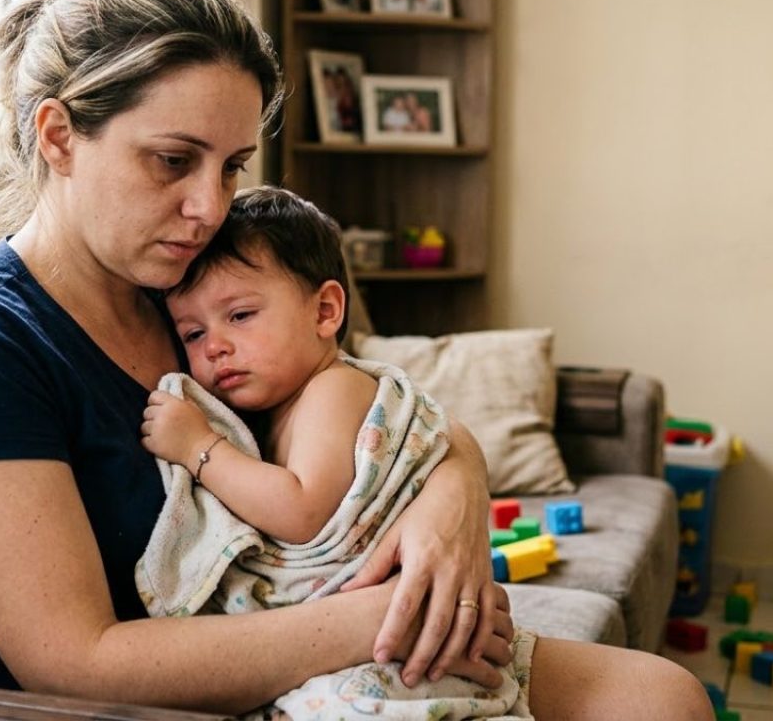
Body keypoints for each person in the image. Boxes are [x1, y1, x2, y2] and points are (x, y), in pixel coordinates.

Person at [0, 0, 710, 718]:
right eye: (173, 160)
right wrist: (392, 612)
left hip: (310, 645)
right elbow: (76, 664)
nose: (210, 206)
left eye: (233, 165)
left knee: (663, 698)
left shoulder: (190, 293)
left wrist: (456, 498)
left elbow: (369, 408)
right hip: (153, 700)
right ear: (59, 137)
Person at [141, 185, 534, 716]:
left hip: (391, 640)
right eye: (191, 333)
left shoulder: (335, 389)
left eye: (239, 316)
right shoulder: (275, 407)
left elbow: (301, 513)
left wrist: (200, 447)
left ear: (325, 311)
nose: (214, 346)